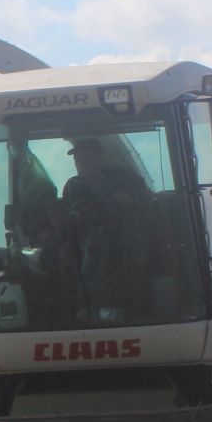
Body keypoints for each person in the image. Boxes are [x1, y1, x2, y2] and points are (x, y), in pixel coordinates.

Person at [59, 137, 149, 319]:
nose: (81, 164)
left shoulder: (128, 181)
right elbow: (69, 222)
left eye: (87, 159)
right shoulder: (73, 186)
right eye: (78, 160)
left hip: (126, 257)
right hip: (87, 259)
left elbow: (145, 209)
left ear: (100, 158)